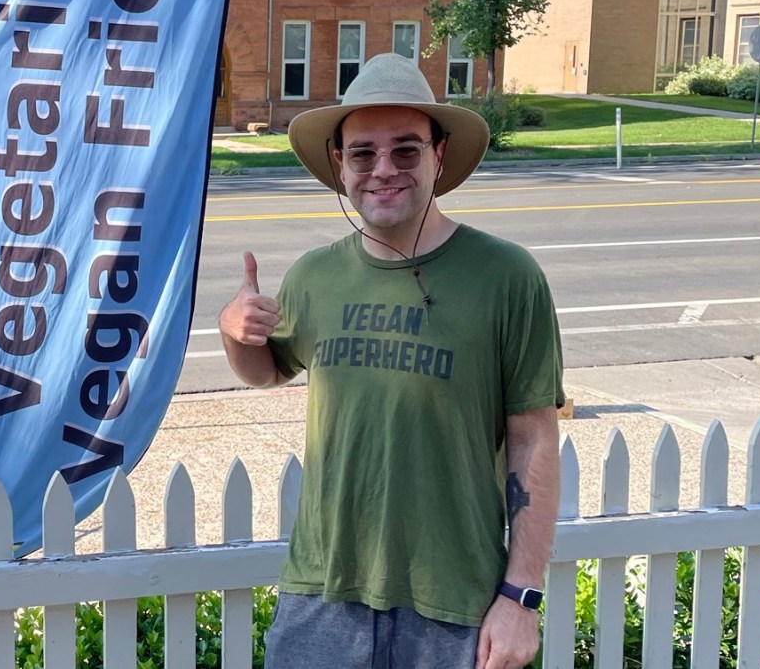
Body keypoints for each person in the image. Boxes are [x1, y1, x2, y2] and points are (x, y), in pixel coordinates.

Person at [218, 52, 563, 669]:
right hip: (321, 592)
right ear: (339, 164)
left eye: (406, 150)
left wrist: (521, 597)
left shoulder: (507, 277)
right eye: (363, 154)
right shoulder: (315, 275)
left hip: (454, 603)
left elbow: (534, 440)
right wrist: (235, 334)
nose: (383, 170)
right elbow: (268, 371)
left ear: (439, 154)